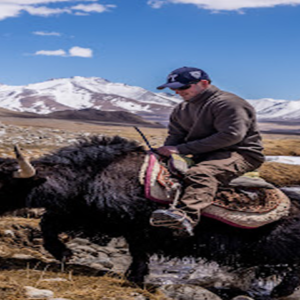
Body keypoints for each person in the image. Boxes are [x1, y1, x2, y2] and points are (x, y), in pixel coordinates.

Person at [150, 66, 265, 236]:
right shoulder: (181, 110)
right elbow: (175, 136)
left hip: (240, 154)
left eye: (183, 87)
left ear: (203, 83)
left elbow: (231, 136)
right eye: (173, 88)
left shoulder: (229, 103)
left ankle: (186, 216)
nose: (177, 92)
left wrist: (180, 149)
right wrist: (161, 153)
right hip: (204, 154)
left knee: (201, 173)